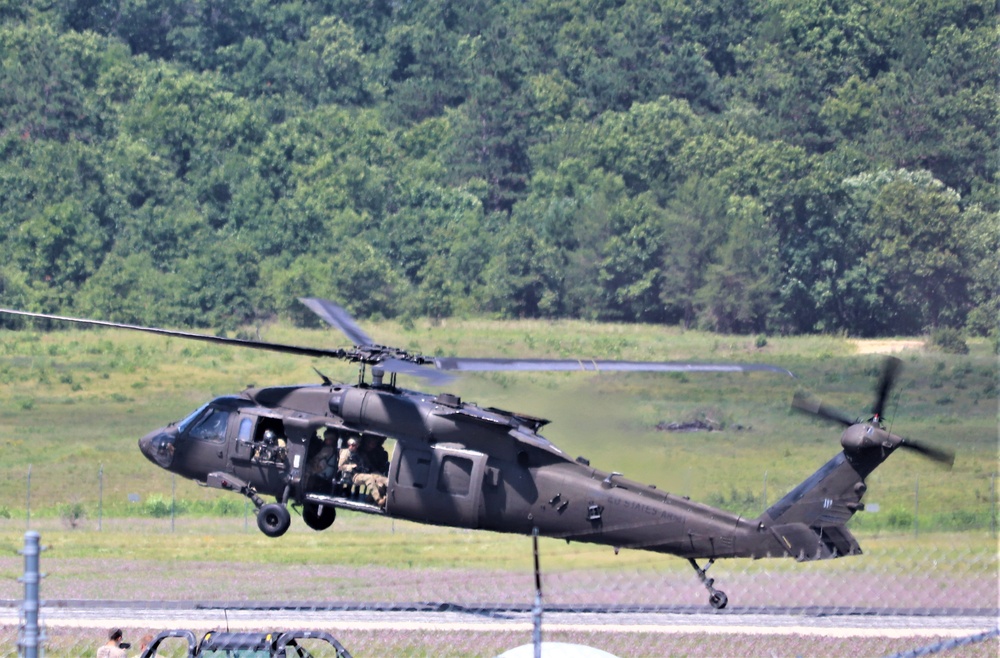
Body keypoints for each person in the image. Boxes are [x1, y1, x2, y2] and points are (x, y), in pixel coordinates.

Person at [339, 437, 388, 507]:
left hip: (363, 472)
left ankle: (371, 497)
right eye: (351, 445)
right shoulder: (346, 453)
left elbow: (367, 464)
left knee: (380, 478)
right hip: (353, 476)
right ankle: (378, 500)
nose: (352, 447)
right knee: (369, 478)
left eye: (354, 445)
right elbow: (340, 466)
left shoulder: (360, 453)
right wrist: (351, 467)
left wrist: (372, 470)